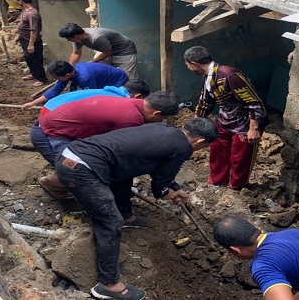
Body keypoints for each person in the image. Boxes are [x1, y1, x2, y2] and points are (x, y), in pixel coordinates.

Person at [56, 118, 218, 300]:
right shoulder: (184, 147)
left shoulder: (163, 129)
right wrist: (168, 192)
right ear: (200, 142)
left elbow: (159, 168)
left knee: (124, 176)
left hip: (71, 154)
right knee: (110, 221)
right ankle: (108, 285)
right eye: (203, 148)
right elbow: (159, 189)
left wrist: (173, 186)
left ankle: (127, 216)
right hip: (81, 170)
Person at [184, 45, 267, 189]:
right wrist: (194, 125)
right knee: (217, 151)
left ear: (193, 64)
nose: (188, 68)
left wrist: (254, 128)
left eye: (187, 65)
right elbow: (205, 102)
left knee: (240, 158)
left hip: (245, 123)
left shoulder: (230, 75)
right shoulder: (208, 76)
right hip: (225, 120)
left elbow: (254, 102)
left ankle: (236, 187)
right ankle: (217, 183)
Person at [34, 91, 178, 167]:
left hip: (58, 127)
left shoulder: (130, 101)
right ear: (156, 113)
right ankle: (53, 186)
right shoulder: (132, 117)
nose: (159, 122)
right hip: (50, 134)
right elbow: (116, 148)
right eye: (161, 119)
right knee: (74, 169)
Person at [21, 60, 129, 109]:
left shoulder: (85, 78)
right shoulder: (70, 71)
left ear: (67, 75)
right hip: (100, 80)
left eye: (56, 78)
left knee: (105, 102)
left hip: (117, 80)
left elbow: (91, 97)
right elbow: (54, 91)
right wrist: (33, 103)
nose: (56, 80)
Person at [58, 23, 138, 79]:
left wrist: (91, 62)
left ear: (76, 36)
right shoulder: (77, 39)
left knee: (127, 78)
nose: (68, 40)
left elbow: (108, 52)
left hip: (124, 51)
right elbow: (76, 53)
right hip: (105, 50)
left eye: (68, 39)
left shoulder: (97, 37)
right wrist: (70, 67)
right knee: (98, 72)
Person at [13, 0, 48, 86]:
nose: (17, 2)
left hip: (31, 41)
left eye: (17, 0)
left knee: (35, 59)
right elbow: (24, 26)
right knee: (29, 58)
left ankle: (42, 79)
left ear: (21, 1)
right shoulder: (25, 11)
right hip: (25, 40)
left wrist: (31, 44)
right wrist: (19, 36)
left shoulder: (32, 14)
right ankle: (34, 74)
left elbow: (34, 30)